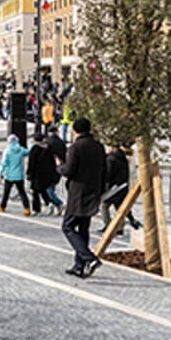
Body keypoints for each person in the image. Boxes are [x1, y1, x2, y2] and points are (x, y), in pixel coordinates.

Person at [57, 117, 107, 278]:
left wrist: (59, 167)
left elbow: (69, 170)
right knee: (83, 228)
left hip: (78, 193)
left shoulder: (75, 147)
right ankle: (79, 265)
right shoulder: (98, 146)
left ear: (75, 130)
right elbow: (104, 170)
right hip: (93, 191)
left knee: (68, 227)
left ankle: (89, 258)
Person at [101, 144, 138, 232]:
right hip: (123, 186)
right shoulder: (123, 158)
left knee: (104, 206)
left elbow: (108, 174)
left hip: (113, 187)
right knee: (119, 207)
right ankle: (120, 227)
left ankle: (108, 225)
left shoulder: (110, 159)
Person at [27, 132, 62, 215]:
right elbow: (52, 162)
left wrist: (29, 173)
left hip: (37, 174)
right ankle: (50, 203)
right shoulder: (48, 149)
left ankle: (37, 209)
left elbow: (31, 162)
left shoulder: (34, 149)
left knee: (35, 192)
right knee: (43, 191)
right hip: (47, 174)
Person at [0, 134, 31, 215]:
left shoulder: (7, 151)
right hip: (19, 175)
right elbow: (28, 152)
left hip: (9, 175)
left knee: (6, 192)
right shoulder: (21, 149)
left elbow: (4, 163)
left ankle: (2, 206)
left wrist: (0, 174)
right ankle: (27, 208)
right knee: (22, 192)